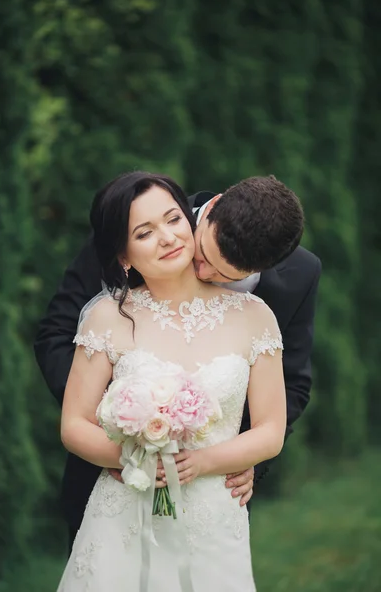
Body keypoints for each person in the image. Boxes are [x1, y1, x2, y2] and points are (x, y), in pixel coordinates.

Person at [34, 172, 321, 552]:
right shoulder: (139, 218)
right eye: (204, 256)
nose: (202, 272)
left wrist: (239, 456)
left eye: (224, 275)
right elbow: (58, 335)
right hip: (113, 483)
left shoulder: (289, 284)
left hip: (214, 495)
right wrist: (135, 423)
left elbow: (291, 385)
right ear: (211, 209)